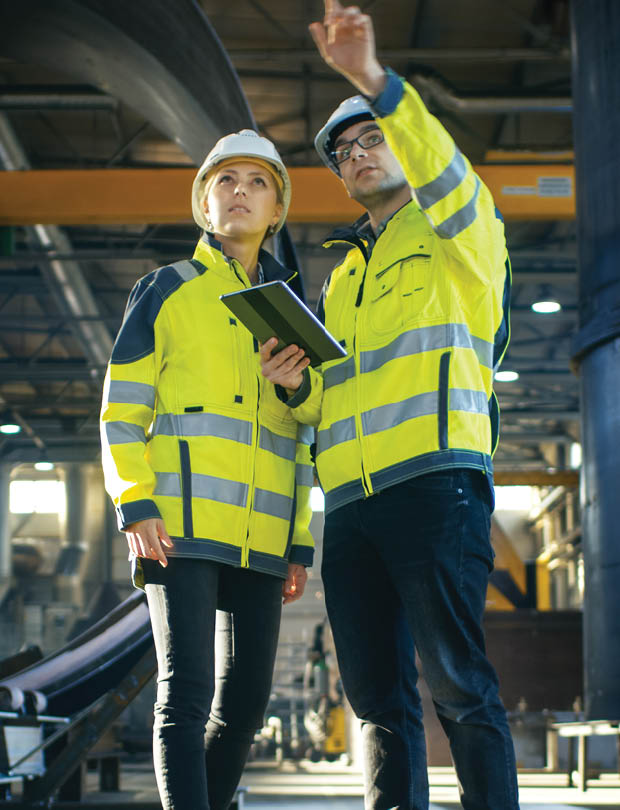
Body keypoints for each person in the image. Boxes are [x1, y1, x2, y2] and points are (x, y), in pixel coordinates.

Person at [259, 3, 519, 809]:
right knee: (375, 703)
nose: (358, 155)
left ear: (402, 142)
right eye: (344, 151)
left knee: (459, 689)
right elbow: (326, 407)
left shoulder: (459, 237)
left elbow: (444, 170)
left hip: (436, 490)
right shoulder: (343, 281)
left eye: (372, 137)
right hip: (353, 510)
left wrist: (373, 81)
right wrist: (295, 383)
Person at [100, 130, 314, 810]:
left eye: (256, 182)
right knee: (185, 696)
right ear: (204, 204)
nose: (240, 192)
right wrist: (135, 500)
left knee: (248, 706)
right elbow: (120, 412)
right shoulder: (166, 290)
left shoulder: (292, 307)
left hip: (262, 536)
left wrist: (299, 539)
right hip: (180, 525)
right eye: (226, 180)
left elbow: (306, 434)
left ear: (276, 208)